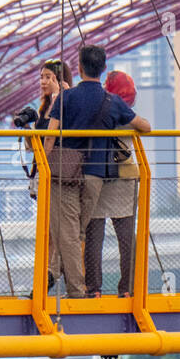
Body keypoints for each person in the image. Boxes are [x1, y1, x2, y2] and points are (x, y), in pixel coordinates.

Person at [45, 45, 151, 298]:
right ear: (103, 69)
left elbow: (49, 137)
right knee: (84, 232)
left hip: (66, 174)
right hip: (97, 176)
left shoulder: (66, 98)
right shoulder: (112, 101)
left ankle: (83, 289)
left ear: (79, 68)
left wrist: (43, 166)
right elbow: (145, 126)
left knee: (79, 234)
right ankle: (128, 290)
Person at [85, 70, 141, 298]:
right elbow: (145, 126)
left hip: (96, 174)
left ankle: (93, 288)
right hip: (126, 175)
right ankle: (128, 288)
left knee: (93, 235)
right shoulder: (125, 113)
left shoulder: (97, 109)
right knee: (127, 236)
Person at [21, 60, 72, 292]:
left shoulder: (65, 104)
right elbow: (34, 147)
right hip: (43, 174)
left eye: (48, 77)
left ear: (60, 80)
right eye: (41, 76)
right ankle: (46, 278)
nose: (43, 81)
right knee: (48, 232)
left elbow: (54, 138)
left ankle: (46, 280)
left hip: (58, 173)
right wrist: (27, 129)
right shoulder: (44, 107)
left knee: (55, 231)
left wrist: (62, 97)